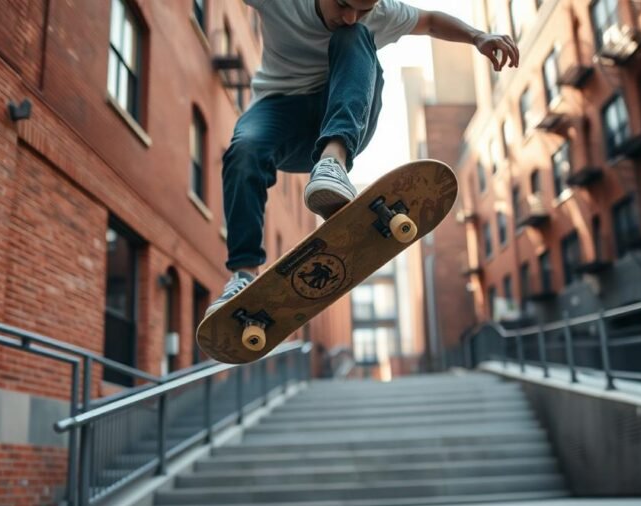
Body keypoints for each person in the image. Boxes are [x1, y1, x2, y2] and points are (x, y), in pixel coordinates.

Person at [208, 0, 519, 315]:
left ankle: (333, 162)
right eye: (342, 4)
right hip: (280, 114)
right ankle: (244, 275)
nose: (349, 16)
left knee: (354, 36)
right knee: (244, 150)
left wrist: (477, 36)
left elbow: (431, 21)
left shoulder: (382, 12)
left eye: (362, 10)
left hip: (344, 116)